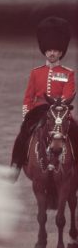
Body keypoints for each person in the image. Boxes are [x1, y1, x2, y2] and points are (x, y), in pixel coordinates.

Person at [11, 16, 76, 178]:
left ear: (61, 52)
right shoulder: (36, 72)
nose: (52, 53)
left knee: (76, 134)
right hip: (38, 111)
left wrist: (60, 108)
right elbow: (28, 96)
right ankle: (16, 164)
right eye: (49, 50)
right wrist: (27, 114)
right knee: (22, 135)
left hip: (60, 111)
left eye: (55, 50)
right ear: (44, 51)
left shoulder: (68, 73)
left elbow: (68, 94)